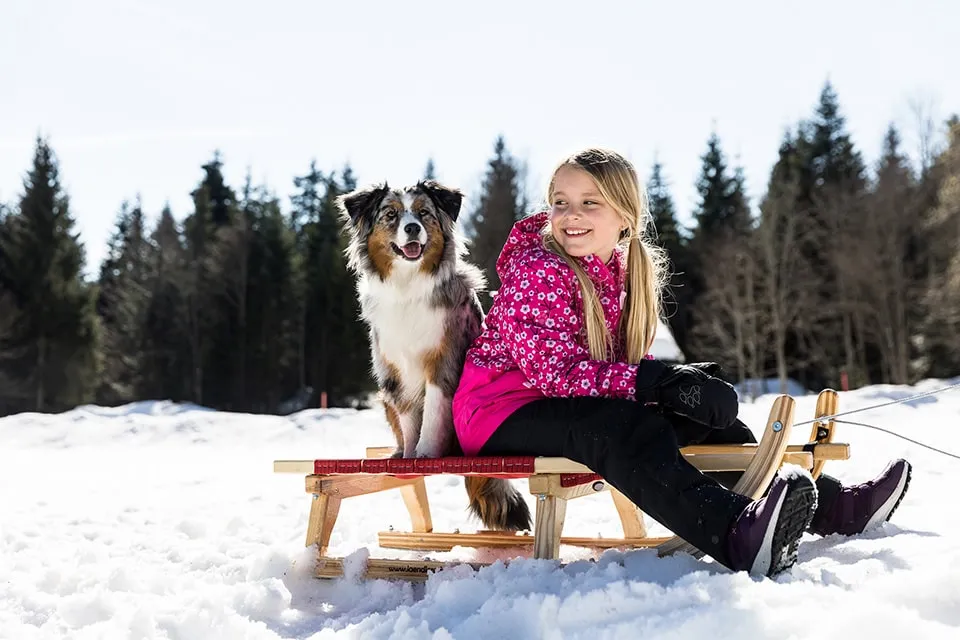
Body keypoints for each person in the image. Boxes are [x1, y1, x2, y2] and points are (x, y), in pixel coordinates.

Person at [451, 147, 912, 577]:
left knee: (696, 421)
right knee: (622, 429)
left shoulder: (620, 272)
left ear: (624, 217)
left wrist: (678, 386)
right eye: (560, 201)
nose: (571, 215)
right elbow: (556, 374)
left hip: (562, 403)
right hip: (499, 411)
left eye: (590, 203)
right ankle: (735, 534)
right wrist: (654, 382)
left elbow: (620, 363)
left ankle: (833, 509)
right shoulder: (539, 270)